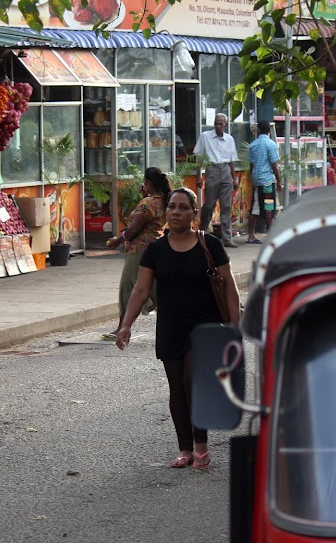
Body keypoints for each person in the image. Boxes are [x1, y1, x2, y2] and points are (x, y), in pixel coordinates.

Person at [116, 187, 241, 470]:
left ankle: (201, 446)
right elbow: (141, 289)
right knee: (177, 390)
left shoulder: (211, 245)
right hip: (171, 325)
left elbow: (230, 288)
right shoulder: (156, 250)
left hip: (204, 327)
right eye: (172, 206)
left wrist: (234, 326)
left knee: (192, 383)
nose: (176, 212)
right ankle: (184, 449)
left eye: (183, 207)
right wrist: (125, 325)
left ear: (194, 214)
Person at [104, 167, 171, 340]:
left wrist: (117, 241)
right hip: (157, 245)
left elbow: (134, 229)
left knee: (128, 285)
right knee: (155, 286)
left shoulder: (147, 203)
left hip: (139, 249)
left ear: (148, 184)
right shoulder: (164, 200)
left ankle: (121, 327)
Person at [193, 113, 239, 248]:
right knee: (209, 205)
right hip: (211, 170)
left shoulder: (229, 139)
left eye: (221, 123)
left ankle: (227, 238)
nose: (218, 126)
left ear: (225, 125)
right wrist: (198, 176)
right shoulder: (205, 136)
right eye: (216, 123)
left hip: (225, 171)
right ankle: (201, 231)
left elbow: (231, 160)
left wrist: (234, 178)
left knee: (226, 206)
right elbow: (199, 157)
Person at [246, 120, 283, 244]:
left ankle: (251, 235)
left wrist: (253, 177)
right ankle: (270, 236)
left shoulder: (253, 145)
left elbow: (251, 164)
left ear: (259, 130)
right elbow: (274, 165)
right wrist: (279, 181)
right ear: (269, 131)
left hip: (257, 180)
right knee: (268, 207)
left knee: (255, 207)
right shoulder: (271, 144)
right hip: (267, 181)